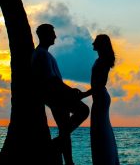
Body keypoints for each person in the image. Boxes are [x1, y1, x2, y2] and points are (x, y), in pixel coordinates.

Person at [32, 23, 89, 165]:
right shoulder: (42, 54)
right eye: (52, 33)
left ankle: (68, 161)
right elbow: (51, 80)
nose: (55, 36)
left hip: (56, 96)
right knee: (83, 110)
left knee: (65, 129)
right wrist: (70, 90)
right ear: (45, 35)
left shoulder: (44, 54)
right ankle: (54, 147)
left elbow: (53, 80)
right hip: (56, 97)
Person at [80, 34, 120, 165]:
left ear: (101, 44)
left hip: (101, 98)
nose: (92, 43)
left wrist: (84, 94)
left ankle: (105, 160)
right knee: (101, 129)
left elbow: (100, 84)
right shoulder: (102, 60)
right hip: (100, 97)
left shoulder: (102, 61)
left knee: (100, 130)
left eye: (95, 42)